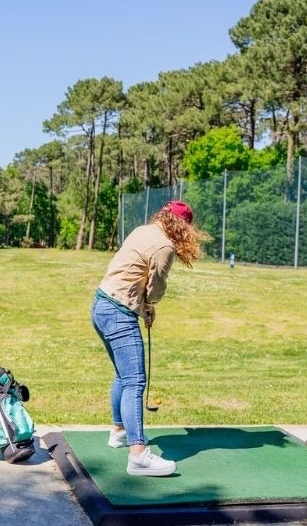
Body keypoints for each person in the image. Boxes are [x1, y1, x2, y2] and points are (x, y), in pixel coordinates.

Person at [91, 200, 208, 477]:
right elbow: (155, 287)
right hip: (119, 312)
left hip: (100, 306)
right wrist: (150, 306)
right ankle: (139, 456)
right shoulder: (165, 246)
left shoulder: (142, 230)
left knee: (123, 374)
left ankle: (118, 432)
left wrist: (143, 308)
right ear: (183, 226)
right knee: (134, 381)